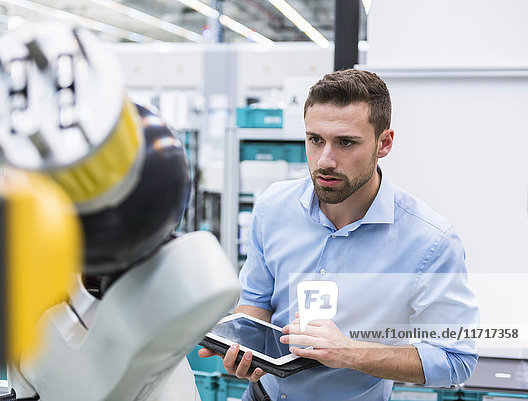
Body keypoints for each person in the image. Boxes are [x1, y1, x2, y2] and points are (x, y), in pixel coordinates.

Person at [199, 69, 479, 401]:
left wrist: (348, 351)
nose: (325, 160)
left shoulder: (430, 242)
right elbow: (257, 303)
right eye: (315, 139)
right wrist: (240, 346)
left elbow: (455, 358)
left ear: (384, 143)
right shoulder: (273, 207)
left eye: (346, 142)